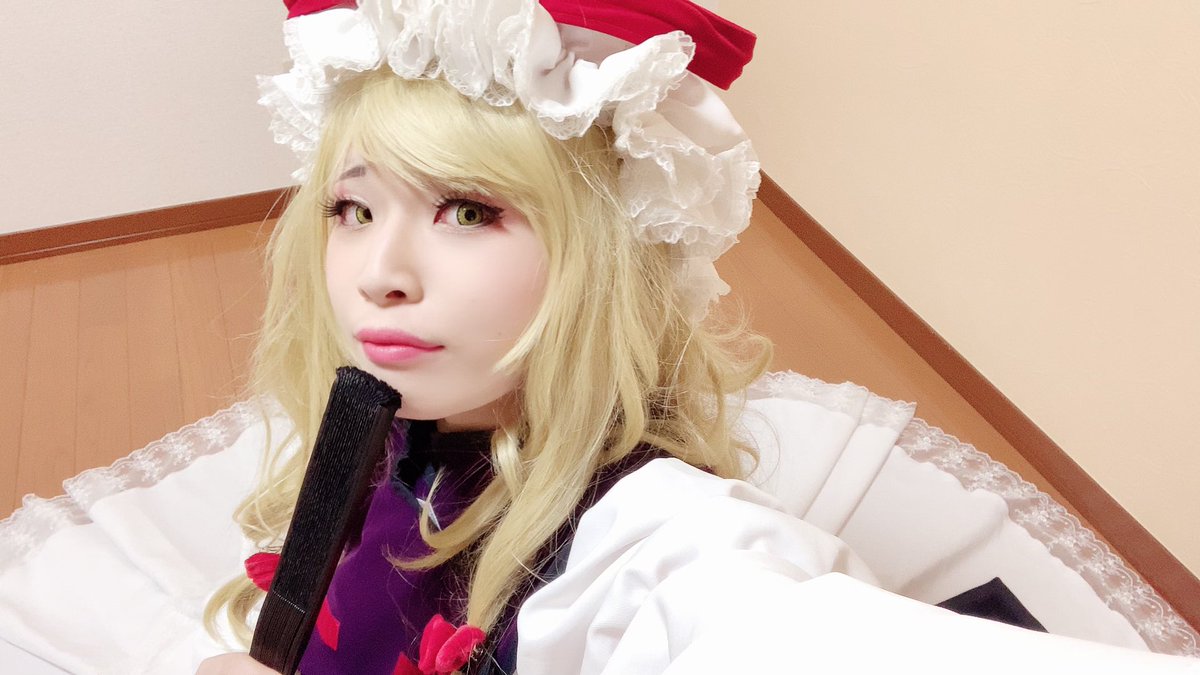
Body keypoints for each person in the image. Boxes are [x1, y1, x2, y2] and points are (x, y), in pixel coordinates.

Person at [0, 0, 1195, 673]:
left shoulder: (650, 542)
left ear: (610, 254)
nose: (378, 274)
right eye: (353, 209)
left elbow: (771, 632)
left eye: (470, 211)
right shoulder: (394, 417)